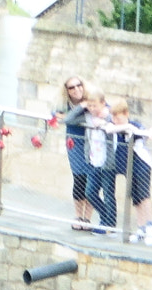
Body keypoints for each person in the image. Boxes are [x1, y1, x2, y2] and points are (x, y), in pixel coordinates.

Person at [110, 97, 152, 245]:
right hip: (127, 167)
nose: (115, 120)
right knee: (136, 199)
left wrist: (149, 132)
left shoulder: (134, 125)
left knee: (144, 196)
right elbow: (109, 128)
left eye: (118, 116)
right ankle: (141, 228)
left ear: (126, 113)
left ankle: (150, 228)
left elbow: (144, 132)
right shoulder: (115, 126)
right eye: (113, 116)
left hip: (141, 164)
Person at [83, 89, 117, 234]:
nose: (92, 109)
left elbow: (115, 124)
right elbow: (69, 119)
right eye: (89, 106)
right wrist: (81, 106)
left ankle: (110, 224)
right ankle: (106, 217)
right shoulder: (87, 118)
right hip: (93, 160)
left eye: (94, 105)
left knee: (108, 194)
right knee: (90, 192)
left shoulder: (109, 117)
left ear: (103, 104)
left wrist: (104, 119)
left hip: (107, 162)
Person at [61, 77, 93, 230]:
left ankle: (87, 218)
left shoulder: (92, 99)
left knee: (92, 180)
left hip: (93, 144)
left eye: (79, 85)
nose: (76, 89)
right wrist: (82, 107)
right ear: (67, 91)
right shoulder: (65, 105)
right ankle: (78, 216)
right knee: (79, 178)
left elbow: (104, 110)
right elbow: (66, 119)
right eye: (71, 87)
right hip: (75, 145)